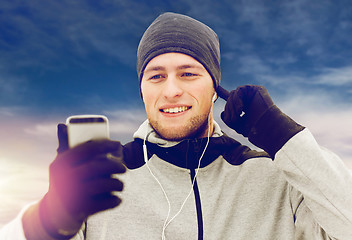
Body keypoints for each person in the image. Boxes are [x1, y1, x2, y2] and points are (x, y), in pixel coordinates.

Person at [1, 12, 352, 240]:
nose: (171, 90)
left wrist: (286, 139)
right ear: (142, 90)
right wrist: (47, 220)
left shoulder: (277, 176)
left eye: (188, 73)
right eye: (156, 76)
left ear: (215, 88)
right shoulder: (104, 179)